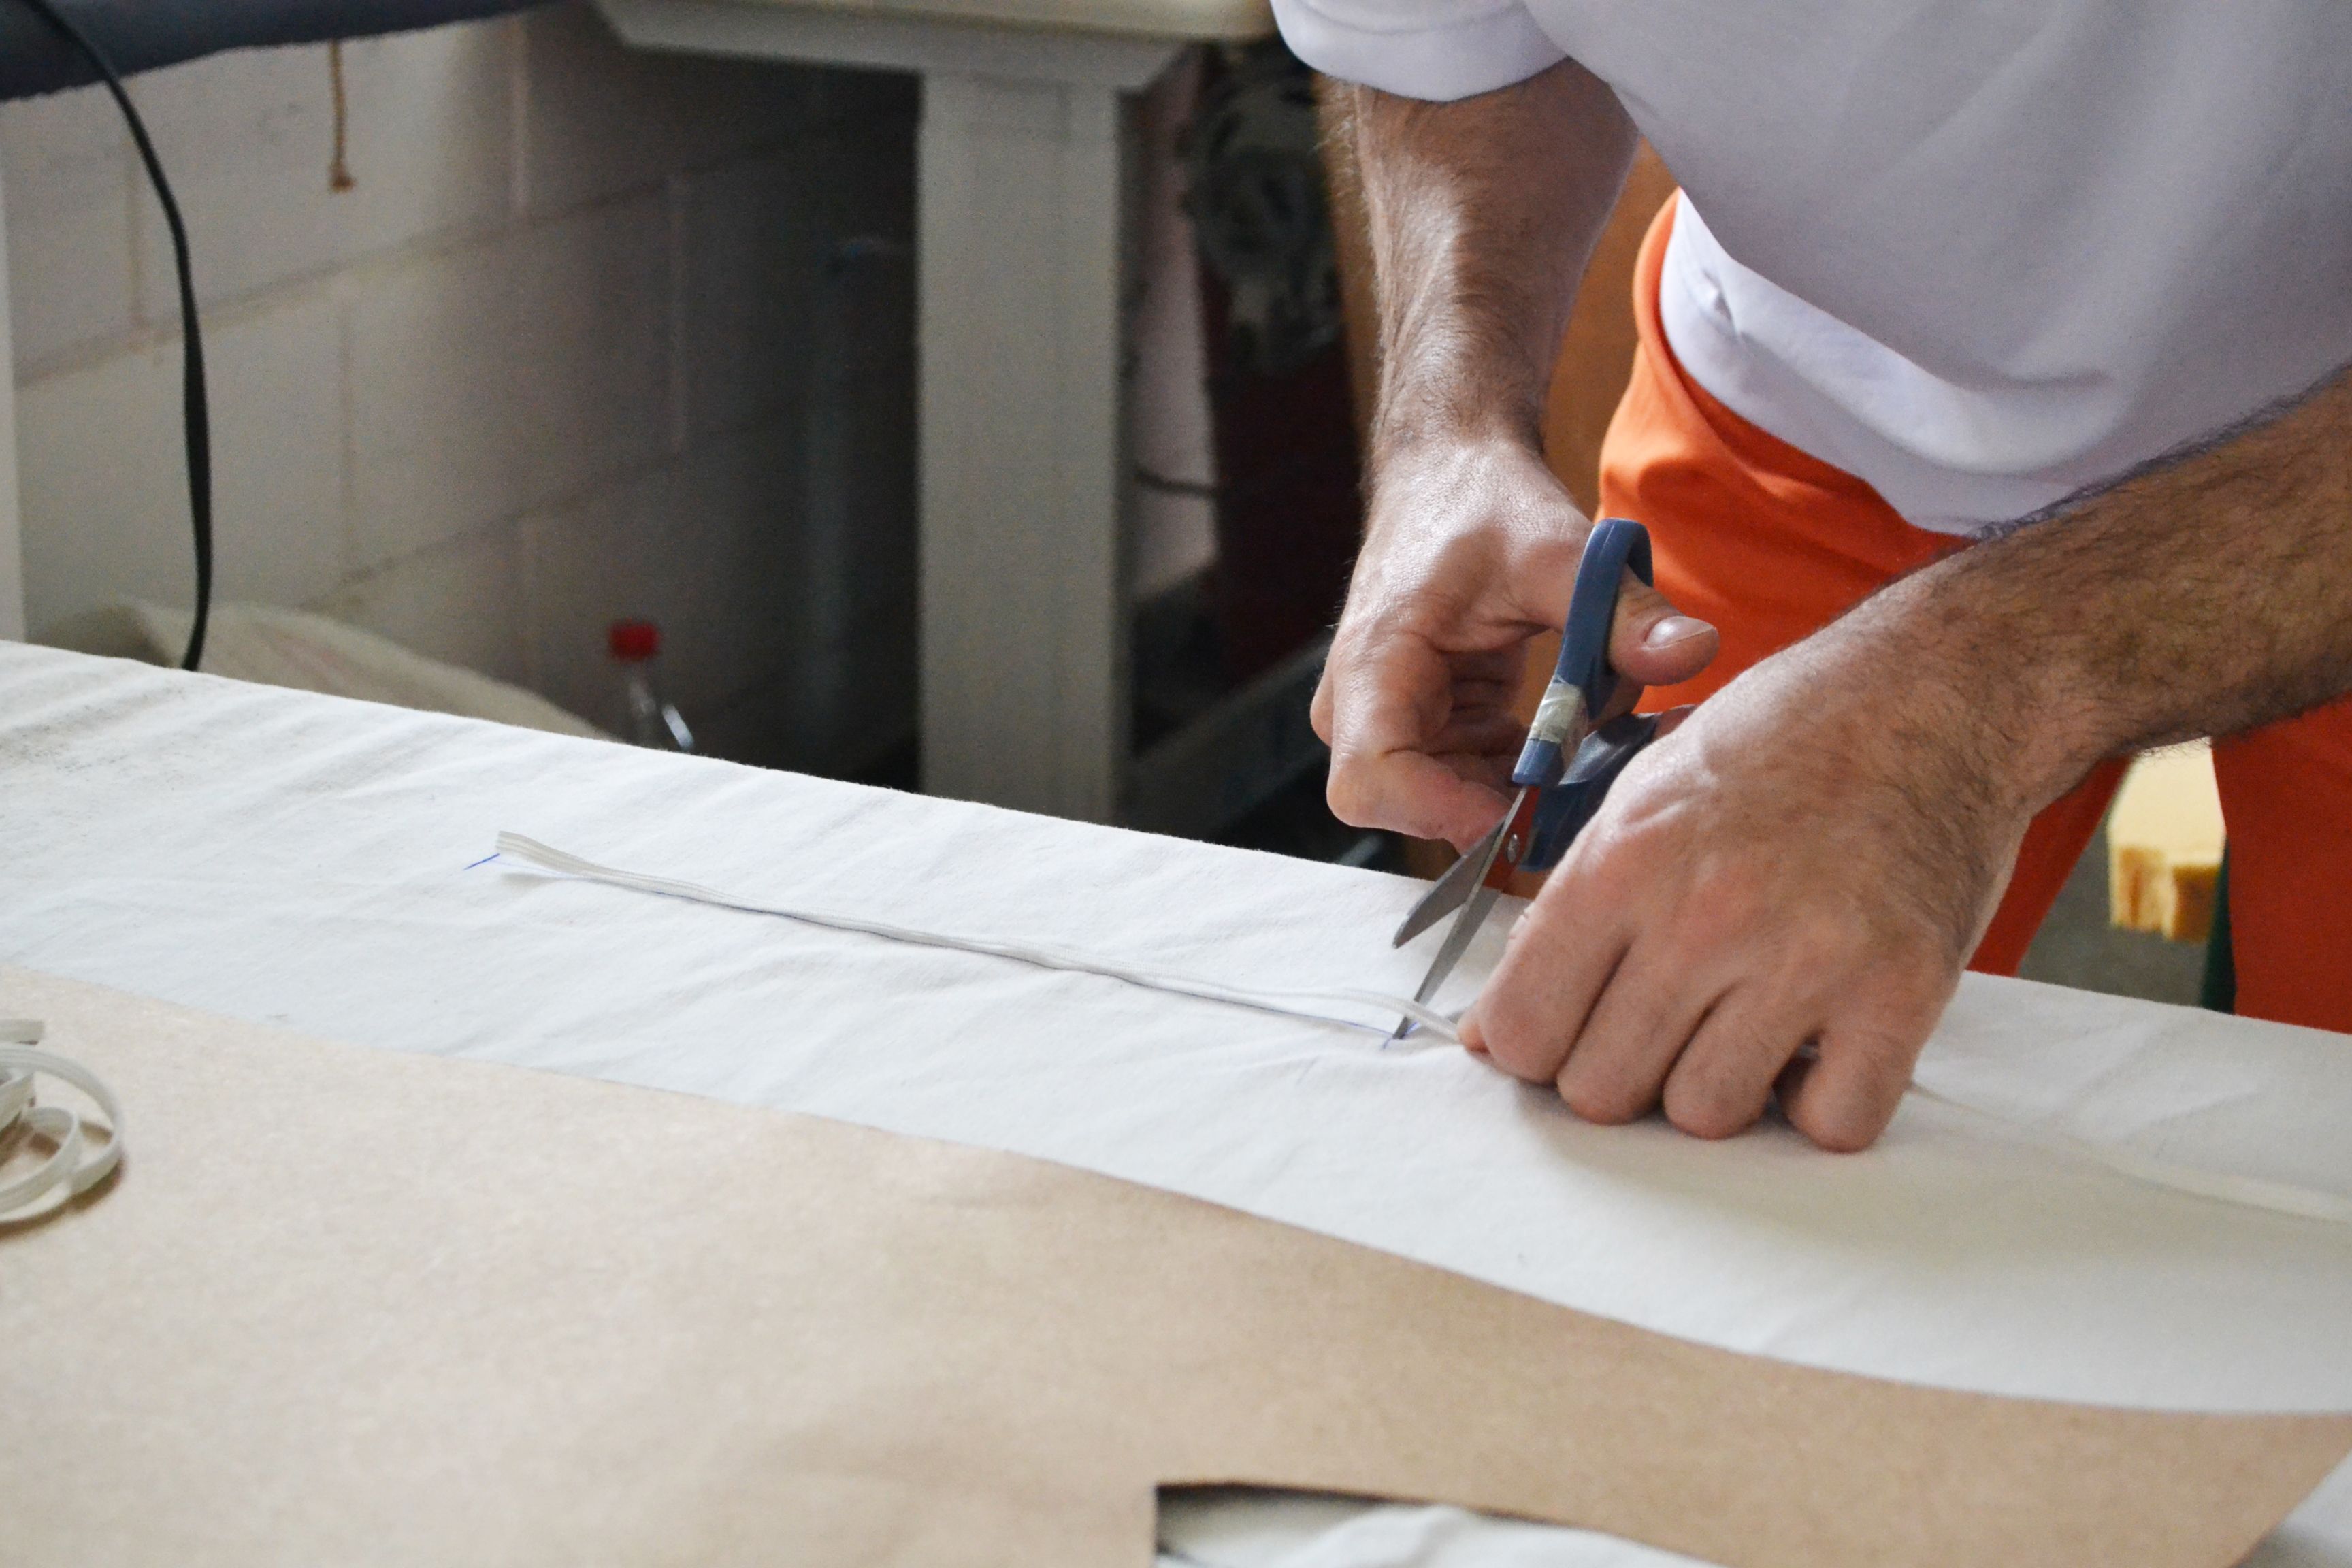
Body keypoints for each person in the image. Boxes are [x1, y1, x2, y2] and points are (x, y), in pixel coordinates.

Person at [1277, 1, 2352, 1150]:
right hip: (1797, 429)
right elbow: (1450, 46)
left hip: (2317, 467)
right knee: (1651, 1093)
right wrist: (1450, 426)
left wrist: (1975, 695)